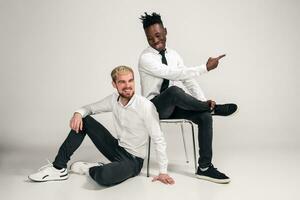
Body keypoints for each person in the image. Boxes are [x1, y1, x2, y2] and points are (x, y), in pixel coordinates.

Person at [28, 65, 175, 186]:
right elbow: (90, 108)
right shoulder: (113, 100)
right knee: (85, 119)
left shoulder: (145, 106)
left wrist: (163, 171)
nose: (128, 86)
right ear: (114, 84)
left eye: (130, 81)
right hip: (117, 148)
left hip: (133, 160)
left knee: (103, 177)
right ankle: (58, 168)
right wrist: (78, 113)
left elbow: (158, 138)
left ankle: (93, 168)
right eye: (122, 82)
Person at [138, 12, 238, 184]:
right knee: (174, 91)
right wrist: (205, 67)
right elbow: (171, 73)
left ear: (165, 32)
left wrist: (202, 102)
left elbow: (189, 81)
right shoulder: (145, 58)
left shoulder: (174, 55)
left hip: (174, 107)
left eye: (158, 35)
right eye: (150, 39)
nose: (155, 41)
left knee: (204, 116)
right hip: (154, 108)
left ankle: (205, 168)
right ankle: (213, 108)